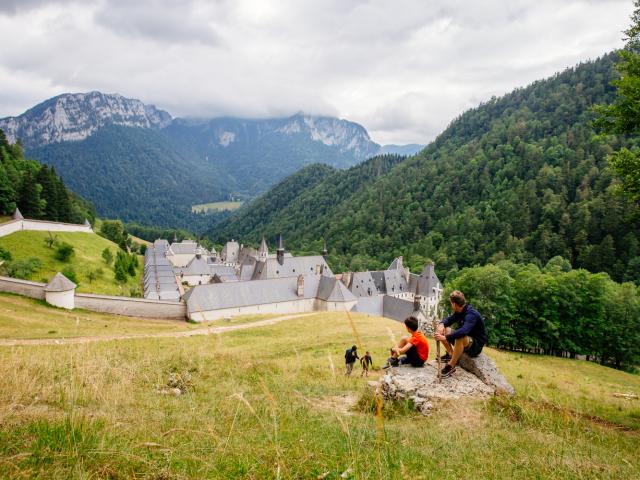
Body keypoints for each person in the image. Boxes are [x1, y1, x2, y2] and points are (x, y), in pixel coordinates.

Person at [435, 290, 487, 378]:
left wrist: (445, 338)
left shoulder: (471, 314)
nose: (451, 305)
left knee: (460, 337)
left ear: (454, 304)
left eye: (451, 303)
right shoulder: (460, 311)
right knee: (446, 329)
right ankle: (451, 354)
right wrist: (441, 324)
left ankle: (451, 365)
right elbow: (449, 320)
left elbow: (463, 331)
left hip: (475, 346)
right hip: (466, 341)